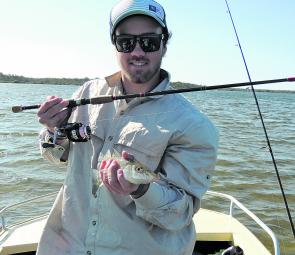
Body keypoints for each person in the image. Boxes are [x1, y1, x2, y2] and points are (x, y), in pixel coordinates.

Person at [37, 0, 219, 254]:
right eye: (126, 42)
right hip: (67, 246)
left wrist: (142, 188)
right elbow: (55, 156)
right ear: (115, 45)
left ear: (164, 45)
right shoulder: (87, 92)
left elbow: (181, 214)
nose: (137, 52)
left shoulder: (193, 125)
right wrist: (53, 130)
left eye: (149, 42)